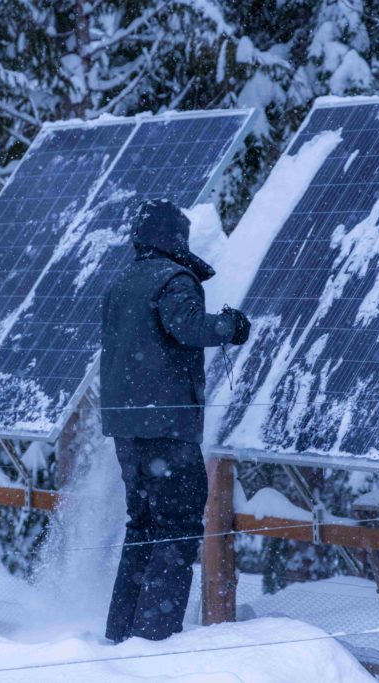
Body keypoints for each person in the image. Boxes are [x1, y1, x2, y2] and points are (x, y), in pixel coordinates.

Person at [100, 199, 250, 643]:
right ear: (174, 239)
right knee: (178, 528)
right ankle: (153, 639)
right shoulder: (173, 279)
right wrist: (229, 327)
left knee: (142, 526)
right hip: (168, 430)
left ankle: (121, 634)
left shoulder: (120, 283)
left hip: (127, 429)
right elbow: (186, 326)